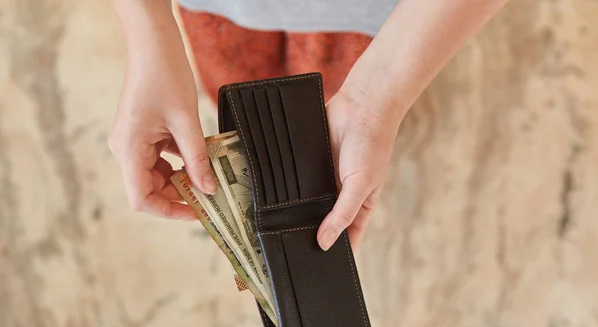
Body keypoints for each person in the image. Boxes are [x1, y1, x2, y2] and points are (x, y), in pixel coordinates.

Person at [108, 0, 507, 251]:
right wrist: (150, 32)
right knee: (238, 91)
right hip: (217, 9)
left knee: (330, 90)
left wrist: (374, 101)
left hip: (381, 16)